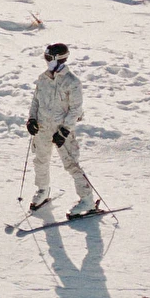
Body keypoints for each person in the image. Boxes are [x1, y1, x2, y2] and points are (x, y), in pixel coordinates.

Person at [26, 42, 96, 216]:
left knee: (71, 164)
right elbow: (35, 101)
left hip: (61, 130)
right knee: (40, 160)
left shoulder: (72, 82)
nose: (46, 60)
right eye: (45, 57)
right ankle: (43, 190)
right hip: (42, 127)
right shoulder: (43, 78)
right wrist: (32, 119)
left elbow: (75, 110)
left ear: (59, 59)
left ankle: (87, 199)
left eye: (49, 57)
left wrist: (64, 131)